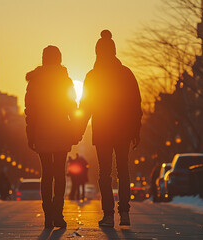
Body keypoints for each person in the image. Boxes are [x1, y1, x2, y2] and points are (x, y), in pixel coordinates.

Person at [79, 30, 142, 227]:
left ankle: (108, 215)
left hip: (104, 130)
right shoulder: (126, 74)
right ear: (114, 51)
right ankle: (124, 212)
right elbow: (135, 105)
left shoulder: (93, 76)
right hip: (123, 130)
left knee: (105, 173)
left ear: (97, 52)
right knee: (123, 171)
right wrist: (136, 131)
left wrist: (78, 130)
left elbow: (86, 106)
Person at [25, 45, 80, 228]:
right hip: (61, 129)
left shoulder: (35, 81)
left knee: (46, 174)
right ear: (59, 59)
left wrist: (30, 134)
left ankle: (48, 215)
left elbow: (30, 110)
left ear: (43, 59)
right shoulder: (64, 80)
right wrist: (76, 130)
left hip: (42, 130)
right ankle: (58, 213)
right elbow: (72, 106)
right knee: (59, 174)